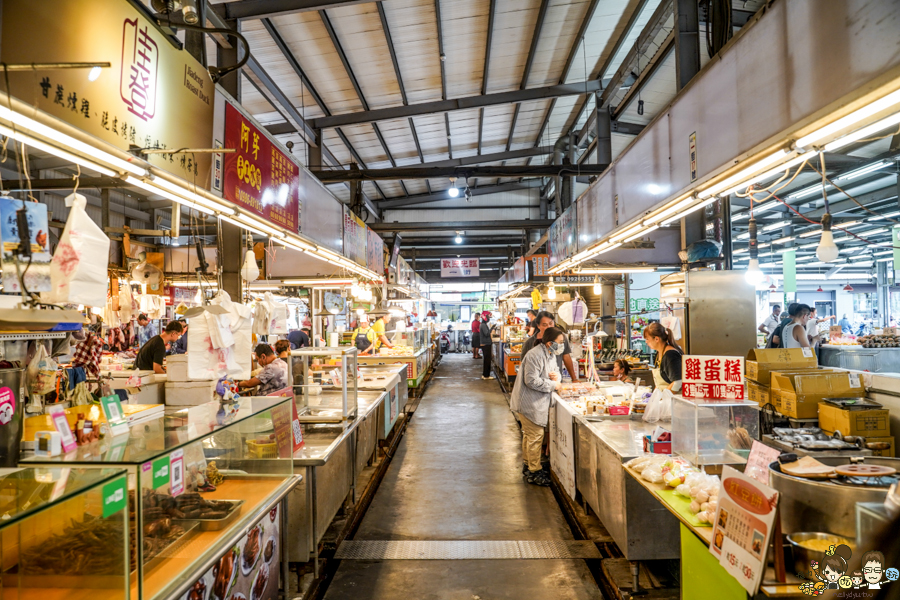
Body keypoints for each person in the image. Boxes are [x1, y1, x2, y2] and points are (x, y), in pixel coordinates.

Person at [509, 326, 566, 487]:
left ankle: (528, 466)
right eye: (560, 342)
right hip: (529, 403)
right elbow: (531, 381)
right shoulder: (535, 355)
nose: (562, 345)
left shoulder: (550, 354)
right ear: (549, 343)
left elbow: (555, 372)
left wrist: (557, 376)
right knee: (535, 437)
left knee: (529, 436)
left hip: (536, 402)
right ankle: (534, 471)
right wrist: (553, 384)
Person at [523, 311, 580, 382]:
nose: (548, 327)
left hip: (556, 380)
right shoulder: (529, 342)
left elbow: (566, 356)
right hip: (536, 384)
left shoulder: (561, 338)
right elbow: (522, 364)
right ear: (538, 326)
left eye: (550, 323)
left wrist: (574, 378)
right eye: (544, 325)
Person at [643, 322, 683, 391]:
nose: (646, 342)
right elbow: (658, 384)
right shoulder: (658, 353)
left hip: (673, 399)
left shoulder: (670, 355)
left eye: (647, 339)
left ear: (656, 339)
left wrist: (663, 397)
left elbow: (677, 382)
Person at [480, 311, 493, 380]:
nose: (488, 318)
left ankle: (485, 374)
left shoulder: (483, 324)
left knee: (487, 360)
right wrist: (492, 328)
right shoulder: (483, 325)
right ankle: (486, 375)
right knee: (487, 360)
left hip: (486, 344)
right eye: (488, 316)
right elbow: (487, 334)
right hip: (486, 344)